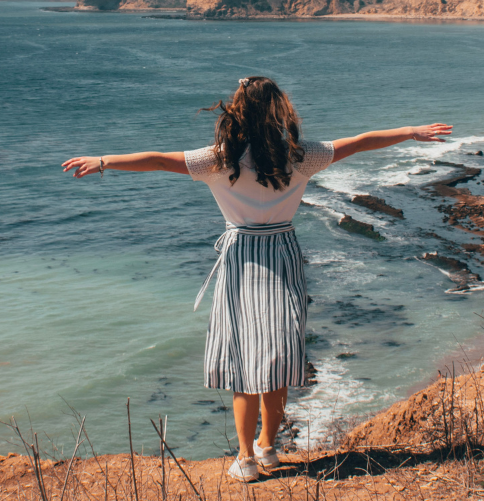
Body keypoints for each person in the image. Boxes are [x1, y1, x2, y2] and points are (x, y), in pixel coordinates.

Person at [63, 76, 451, 482]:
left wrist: (105, 160)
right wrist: (411, 132)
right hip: (283, 253)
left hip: (242, 258)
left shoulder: (219, 160)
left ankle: (246, 458)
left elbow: (160, 160)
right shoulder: (301, 157)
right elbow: (361, 141)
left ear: (237, 113)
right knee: (276, 355)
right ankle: (268, 448)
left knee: (242, 360)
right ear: (278, 112)